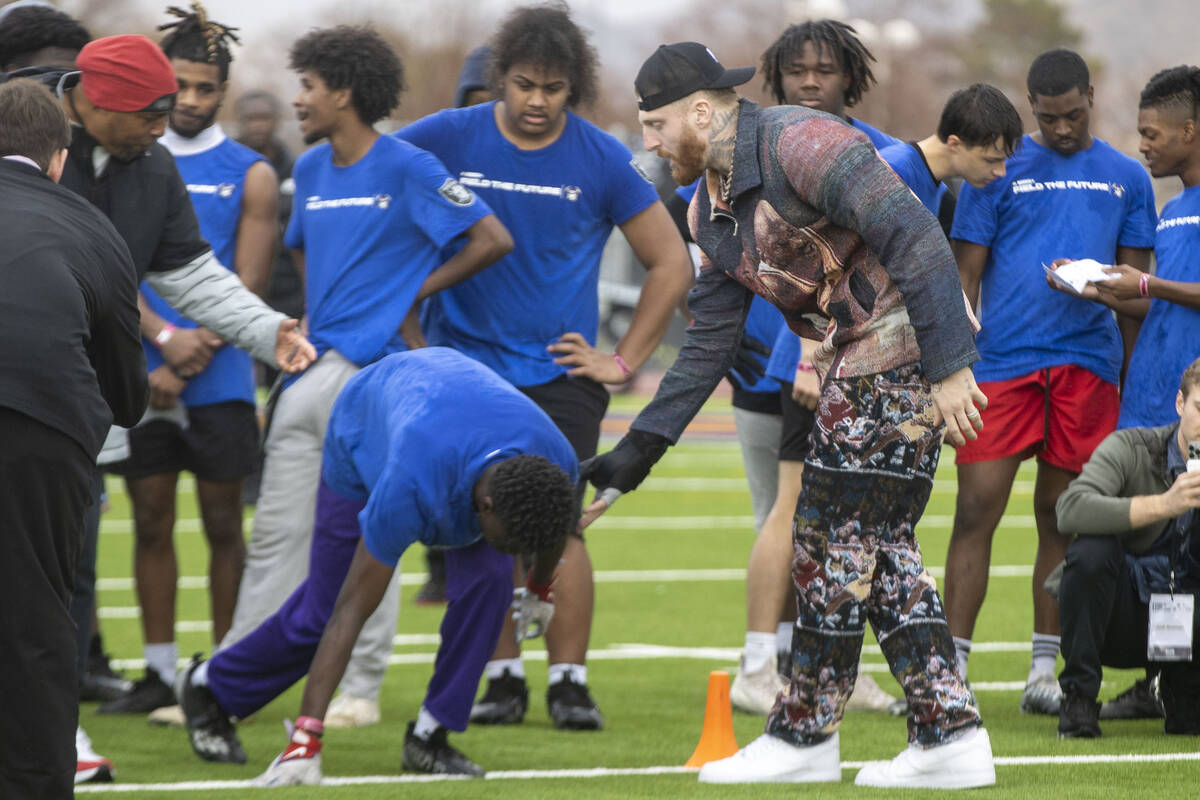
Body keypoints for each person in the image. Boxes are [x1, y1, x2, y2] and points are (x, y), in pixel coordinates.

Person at [585, 41, 994, 788]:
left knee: (831, 538)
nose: (645, 142)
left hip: (906, 350)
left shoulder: (802, 142)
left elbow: (916, 235)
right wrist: (636, 453)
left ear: (702, 112)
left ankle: (810, 735)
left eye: (653, 125)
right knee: (873, 546)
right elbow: (708, 342)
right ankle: (946, 731)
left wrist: (949, 369)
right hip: (848, 362)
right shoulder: (704, 210)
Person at [331, 3, 691, 735]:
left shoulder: (599, 157)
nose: (536, 101)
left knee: (564, 525)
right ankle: (498, 677)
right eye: (524, 84)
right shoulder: (444, 137)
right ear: (500, 78)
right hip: (459, 371)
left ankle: (569, 681)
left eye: (553, 89)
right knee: (474, 525)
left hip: (558, 374)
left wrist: (620, 360)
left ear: (574, 89)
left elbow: (671, 263)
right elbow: (374, 196)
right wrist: (405, 323)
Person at [4, 28, 315, 783]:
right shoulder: (32, 137)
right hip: (48, 393)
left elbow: (189, 271)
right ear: (92, 104)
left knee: (67, 571)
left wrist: (265, 328)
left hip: (67, 405)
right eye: (150, 111)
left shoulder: (153, 169)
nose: (162, 123)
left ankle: (58, 732)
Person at [216, 26, 512, 740]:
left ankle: (361, 687)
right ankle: (232, 686)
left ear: (343, 92)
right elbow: (305, 257)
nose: (298, 100)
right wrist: (319, 326)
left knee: (370, 537)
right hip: (309, 373)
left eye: (309, 87)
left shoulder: (410, 166)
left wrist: (412, 294)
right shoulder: (311, 170)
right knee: (278, 534)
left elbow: (492, 238)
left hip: (381, 379)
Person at [175, 348, 579, 784]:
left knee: (492, 583)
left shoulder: (556, 466)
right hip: (363, 425)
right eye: (510, 541)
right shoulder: (410, 487)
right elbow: (350, 612)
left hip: (452, 408)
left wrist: (538, 588)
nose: (513, 552)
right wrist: (305, 742)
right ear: (485, 505)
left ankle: (430, 735)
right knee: (325, 608)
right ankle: (209, 685)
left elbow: (553, 529)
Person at [944, 49, 1158, 715]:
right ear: (1030, 106)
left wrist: (1130, 380)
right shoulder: (999, 165)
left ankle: (1043, 672)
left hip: (1088, 370)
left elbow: (1138, 295)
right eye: (1048, 117)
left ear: (1091, 96)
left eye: (1072, 115)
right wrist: (956, 361)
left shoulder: (1127, 177)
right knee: (976, 509)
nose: (1062, 128)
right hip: (1003, 365)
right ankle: (950, 675)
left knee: (1060, 519)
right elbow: (965, 275)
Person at [728, 17, 916, 716]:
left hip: (843, 362)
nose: (811, 81)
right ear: (776, 76)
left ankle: (812, 667)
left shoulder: (881, 155)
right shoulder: (749, 153)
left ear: (852, 79)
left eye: (825, 70)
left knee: (832, 527)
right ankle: (768, 664)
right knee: (782, 518)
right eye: (798, 69)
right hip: (778, 364)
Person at [97, 2, 280, 720]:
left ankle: (223, 673)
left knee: (224, 525)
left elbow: (248, 285)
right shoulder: (128, 158)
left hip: (223, 375)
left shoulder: (253, 172)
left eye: (207, 89)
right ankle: (156, 670)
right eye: (181, 87)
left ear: (224, 92)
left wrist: (191, 348)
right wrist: (159, 348)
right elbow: (111, 267)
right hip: (139, 373)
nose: (192, 101)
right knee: (148, 522)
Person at [0, 76, 146, 799]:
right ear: (59, 158)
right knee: (36, 622)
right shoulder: (89, 225)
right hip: (43, 428)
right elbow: (127, 395)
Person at [1050, 64, 1200, 721]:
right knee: (1153, 544)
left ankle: (1178, 681)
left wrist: (1146, 286)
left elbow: (1168, 295)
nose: (1143, 145)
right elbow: (1161, 308)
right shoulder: (1171, 211)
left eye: (1152, 133)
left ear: (1190, 131)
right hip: (1152, 399)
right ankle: (1152, 678)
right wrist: (1104, 289)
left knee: (1189, 545)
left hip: (1194, 403)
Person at [1054, 357, 1200, 738]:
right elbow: (1069, 508)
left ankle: (1177, 689)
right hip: (1118, 617)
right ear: (1180, 404)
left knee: (1190, 723)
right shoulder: (1133, 447)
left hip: (1188, 620)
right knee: (1091, 551)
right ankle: (1079, 696)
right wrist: (1166, 504)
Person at [406, 44, 495, 619]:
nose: (486, 114)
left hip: (510, 332)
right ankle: (438, 565)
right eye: (476, 102)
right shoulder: (438, 156)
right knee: (440, 464)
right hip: (446, 325)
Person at [878, 83, 1022, 215]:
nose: (1001, 172)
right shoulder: (892, 173)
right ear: (954, 144)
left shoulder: (937, 189)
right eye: (991, 160)